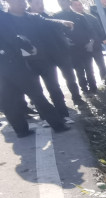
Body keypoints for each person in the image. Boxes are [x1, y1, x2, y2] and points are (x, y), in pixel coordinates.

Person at [0, 9, 70, 137]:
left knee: (9, 100)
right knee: (35, 95)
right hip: (12, 63)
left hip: (5, 65)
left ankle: (22, 131)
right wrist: (29, 47)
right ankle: (57, 125)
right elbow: (11, 37)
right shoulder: (2, 17)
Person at [6, 0, 74, 117]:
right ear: (9, 2)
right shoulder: (4, 20)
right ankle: (46, 117)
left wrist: (62, 22)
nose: (23, 4)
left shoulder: (33, 17)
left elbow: (48, 21)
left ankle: (63, 114)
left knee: (54, 87)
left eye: (23, 2)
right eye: (19, 2)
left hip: (44, 59)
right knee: (36, 93)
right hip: (23, 63)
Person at [54, 0, 96, 95]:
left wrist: (91, 42)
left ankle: (93, 88)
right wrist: (64, 40)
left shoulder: (80, 16)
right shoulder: (56, 17)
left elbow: (90, 30)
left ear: (69, 3)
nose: (63, 5)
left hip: (85, 47)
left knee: (89, 69)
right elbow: (56, 33)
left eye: (65, 3)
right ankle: (85, 89)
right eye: (61, 3)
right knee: (79, 70)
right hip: (72, 49)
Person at [74, 0, 106, 81]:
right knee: (89, 69)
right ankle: (93, 88)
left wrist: (101, 39)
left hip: (96, 47)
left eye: (80, 5)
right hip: (84, 49)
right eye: (76, 5)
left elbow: (99, 31)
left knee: (102, 66)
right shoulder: (73, 19)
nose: (79, 7)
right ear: (72, 7)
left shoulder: (92, 18)